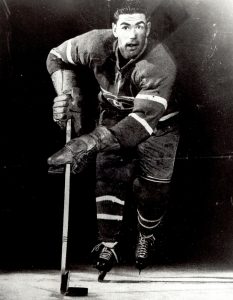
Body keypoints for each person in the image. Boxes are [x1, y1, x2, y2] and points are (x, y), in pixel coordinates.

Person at [46, 0, 180, 280]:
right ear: (114, 29)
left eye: (140, 26)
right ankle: (108, 245)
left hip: (159, 126)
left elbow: (139, 124)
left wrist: (84, 143)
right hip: (113, 114)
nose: (133, 35)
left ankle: (146, 236)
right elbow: (55, 57)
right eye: (126, 27)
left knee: (152, 192)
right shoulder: (95, 43)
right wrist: (69, 96)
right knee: (107, 177)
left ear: (148, 28)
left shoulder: (160, 63)